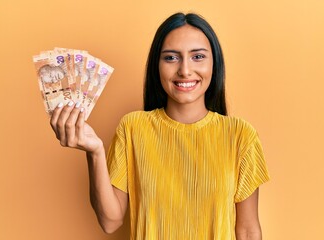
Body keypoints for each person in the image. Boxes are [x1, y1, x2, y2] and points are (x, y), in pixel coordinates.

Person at [50, 12, 270, 240]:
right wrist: (94, 152)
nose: (185, 70)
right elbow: (110, 221)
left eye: (198, 57)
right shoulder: (132, 128)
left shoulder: (240, 135)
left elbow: (247, 230)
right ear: (157, 66)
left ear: (214, 64)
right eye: (171, 58)